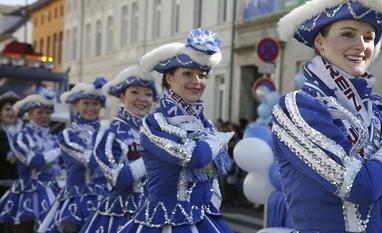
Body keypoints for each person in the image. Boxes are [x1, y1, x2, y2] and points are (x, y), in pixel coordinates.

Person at [271, 0, 382, 232]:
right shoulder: (298, 108)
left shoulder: (378, 110)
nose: (361, 45)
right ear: (320, 42)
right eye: (348, 34)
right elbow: (359, 186)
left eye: (369, 37)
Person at [119, 28, 234, 233]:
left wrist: (213, 199)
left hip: (203, 217)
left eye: (202, 75)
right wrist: (215, 141)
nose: (196, 81)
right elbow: (194, 157)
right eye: (187, 74)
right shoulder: (156, 122)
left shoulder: (204, 123)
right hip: (166, 221)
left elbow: (210, 172)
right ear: (170, 78)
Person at [79, 65, 160, 233]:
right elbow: (117, 179)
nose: (142, 99)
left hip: (158, 212)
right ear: (122, 96)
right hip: (123, 215)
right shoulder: (108, 134)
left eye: (148, 94)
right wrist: (156, 155)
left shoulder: (158, 132)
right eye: (135, 92)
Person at [37, 77, 108, 233]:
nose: (91, 108)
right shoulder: (68, 134)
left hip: (105, 197)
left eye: (95, 104)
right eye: (86, 103)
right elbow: (86, 159)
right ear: (76, 105)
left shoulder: (106, 132)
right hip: (77, 199)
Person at [0, 93, 61, 232]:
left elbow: (61, 166)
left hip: (52, 190)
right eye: (39, 112)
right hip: (27, 192)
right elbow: (33, 161)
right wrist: (57, 151)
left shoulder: (53, 138)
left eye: (47, 112)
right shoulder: (21, 136)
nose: (44, 116)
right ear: (29, 114)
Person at [0, 92, 22, 233]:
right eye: (8, 109)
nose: (11, 112)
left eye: (14, 108)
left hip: (22, 190)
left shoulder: (25, 132)